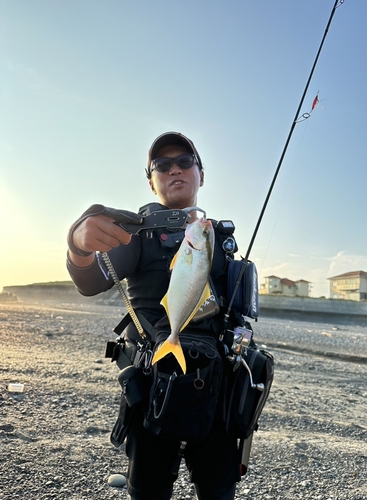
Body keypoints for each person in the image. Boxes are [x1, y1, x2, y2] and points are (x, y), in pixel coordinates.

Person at [66, 132, 242, 500]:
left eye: (184, 161)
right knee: (148, 491)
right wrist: (78, 245)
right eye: (162, 165)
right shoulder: (136, 235)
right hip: (151, 383)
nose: (174, 169)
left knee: (220, 491)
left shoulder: (217, 241)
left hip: (216, 390)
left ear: (201, 174)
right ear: (151, 180)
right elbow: (90, 280)